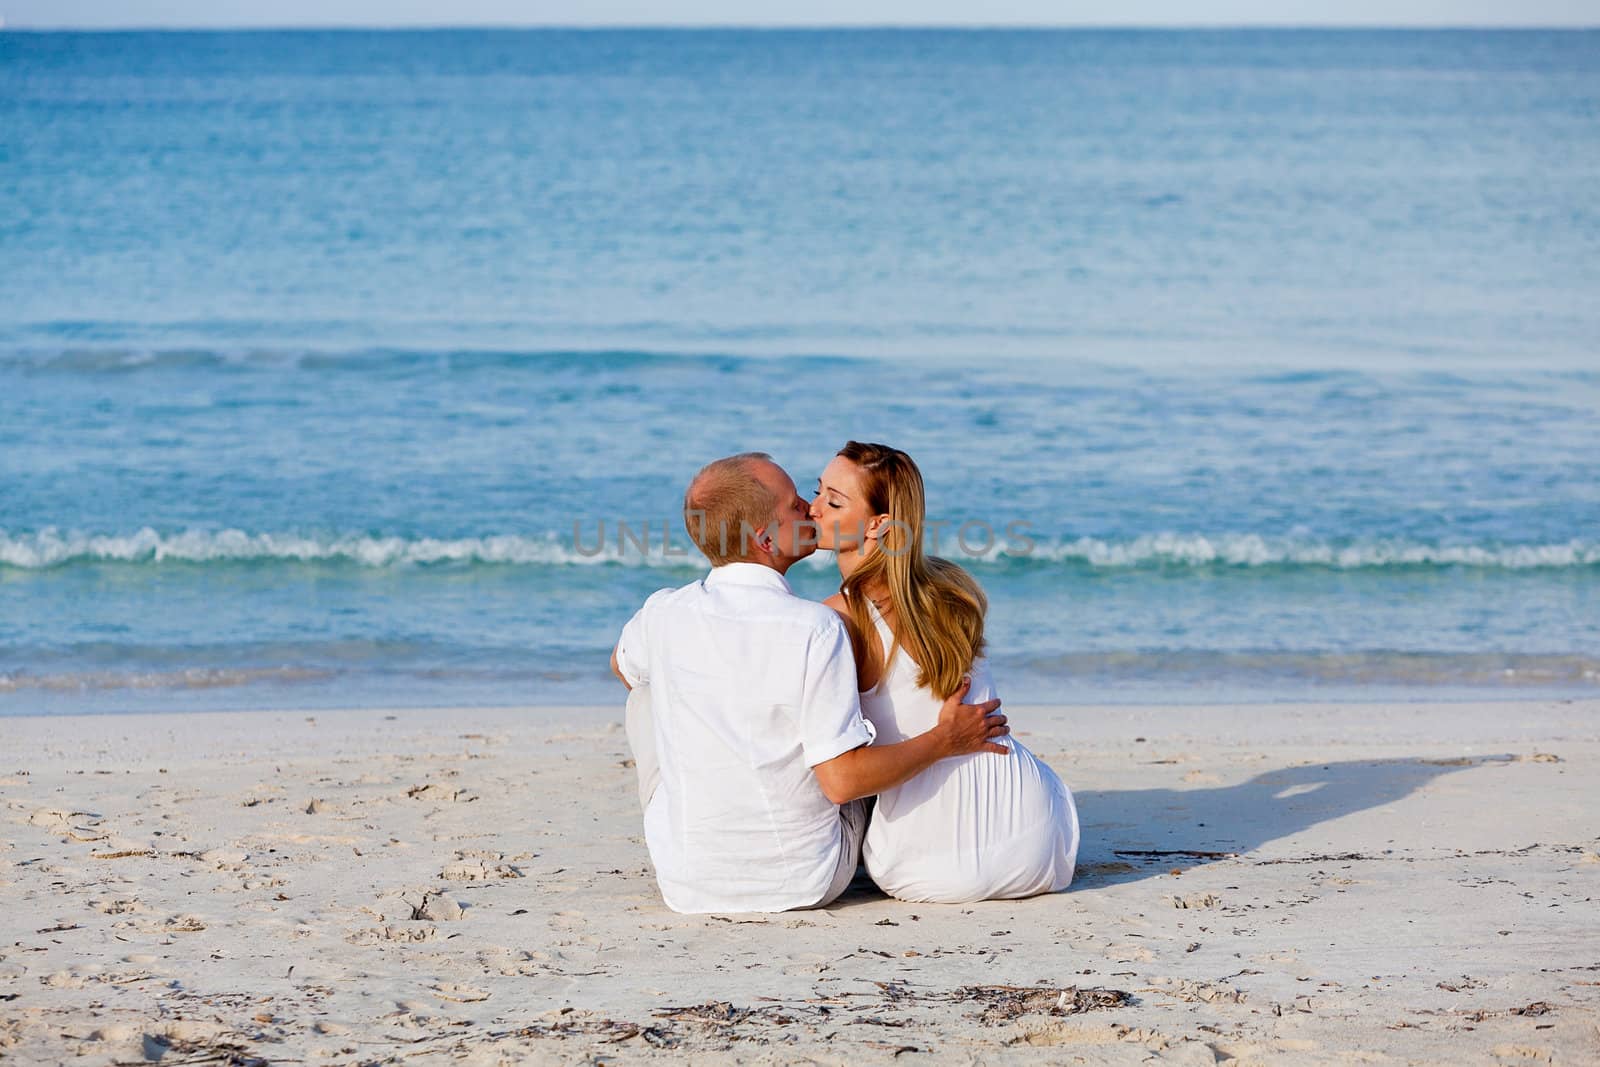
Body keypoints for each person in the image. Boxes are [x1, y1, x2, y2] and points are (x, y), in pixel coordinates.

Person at [610, 451, 1011, 914]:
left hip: (687, 883)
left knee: (646, 696)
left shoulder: (662, 612)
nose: (810, 507)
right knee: (841, 733)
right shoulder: (815, 627)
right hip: (804, 879)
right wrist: (943, 739)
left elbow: (623, 667)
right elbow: (842, 786)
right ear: (764, 539)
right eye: (794, 504)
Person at [811, 441, 1078, 903]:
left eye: (833, 502)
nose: (813, 509)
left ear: (877, 525)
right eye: (816, 492)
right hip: (1042, 845)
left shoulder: (837, 619)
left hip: (930, 867)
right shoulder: (952, 590)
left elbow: (837, 779)